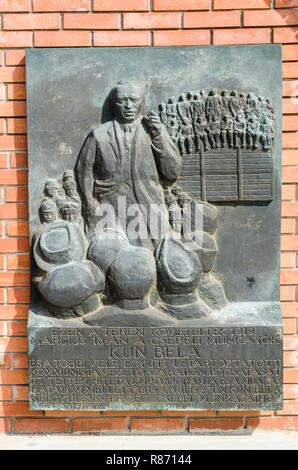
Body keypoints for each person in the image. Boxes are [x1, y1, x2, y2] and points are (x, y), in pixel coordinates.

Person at [76, 81, 181, 250]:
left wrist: (158, 135)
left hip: (149, 205)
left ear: (142, 102)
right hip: (111, 207)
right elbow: (83, 171)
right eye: (121, 100)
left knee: (160, 254)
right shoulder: (99, 134)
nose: (128, 106)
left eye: (134, 100)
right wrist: (89, 203)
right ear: (113, 103)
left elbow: (172, 172)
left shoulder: (153, 130)